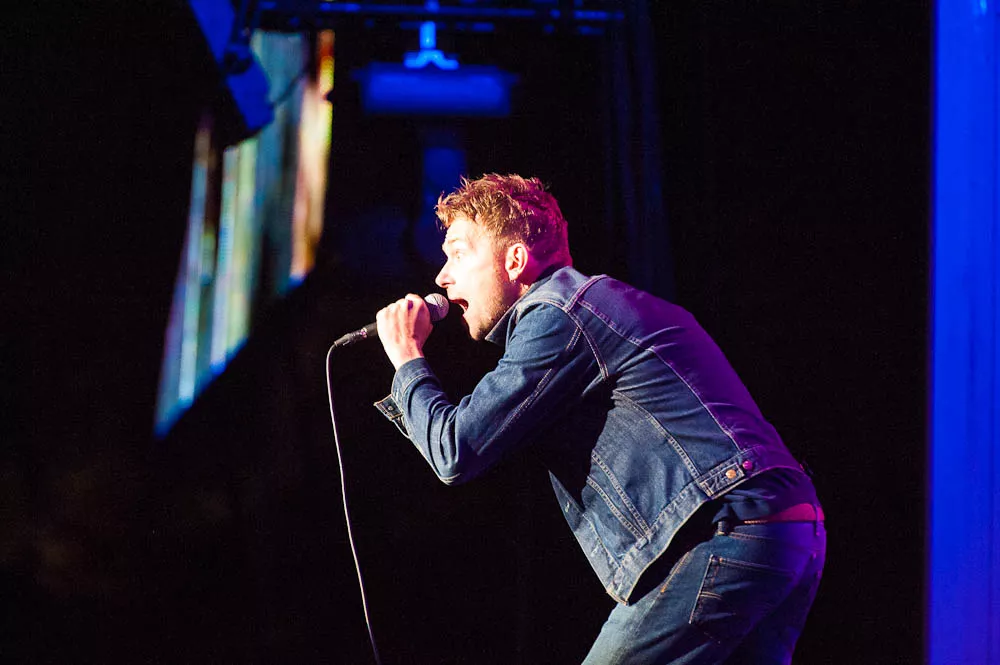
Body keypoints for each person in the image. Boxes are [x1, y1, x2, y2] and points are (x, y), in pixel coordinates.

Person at [373, 174, 825, 664]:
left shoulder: (558, 315)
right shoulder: (593, 306)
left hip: (725, 530)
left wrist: (407, 358)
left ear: (515, 260)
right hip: (786, 527)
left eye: (459, 254)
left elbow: (456, 449)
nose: (442, 277)